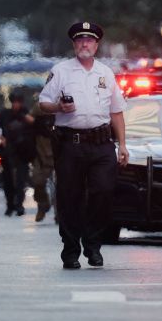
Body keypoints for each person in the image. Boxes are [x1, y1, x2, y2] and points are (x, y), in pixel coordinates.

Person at [38, 21, 129, 269]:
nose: (84, 44)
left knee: (103, 191)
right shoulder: (61, 71)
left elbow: (117, 112)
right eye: (80, 40)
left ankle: (93, 244)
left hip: (101, 144)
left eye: (89, 40)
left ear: (97, 45)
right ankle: (70, 249)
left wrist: (122, 144)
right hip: (71, 144)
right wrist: (58, 107)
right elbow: (43, 103)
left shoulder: (105, 73)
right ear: (74, 44)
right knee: (69, 197)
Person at [0, 93, 35, 216]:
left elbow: (35, 126)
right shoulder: (5, 114)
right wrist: (0, 138)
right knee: (7, 180)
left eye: (18, 102)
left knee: (21, 180)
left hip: (23, 152)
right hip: (8, 151)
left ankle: (19, 205)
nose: (16, 104)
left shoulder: (26, 113)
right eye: (14, 102)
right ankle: (10, 204)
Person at [30, 101, 55, 222]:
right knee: (37, 181)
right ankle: (42, 204)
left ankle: (60, 214)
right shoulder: (39, 106)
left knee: (62, 187)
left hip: (60, 152)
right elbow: (29, 119)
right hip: (41, 154)